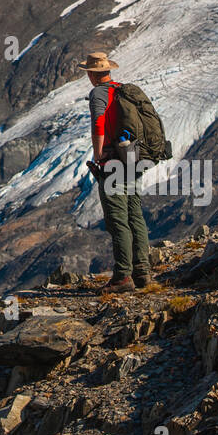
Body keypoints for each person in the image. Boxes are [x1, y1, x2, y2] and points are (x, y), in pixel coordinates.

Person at [79, 49, 151, 292]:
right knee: (134, 214)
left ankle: (122, 277)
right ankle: (142, 272)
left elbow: (98, 122)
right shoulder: (122, 90)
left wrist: (99, 154)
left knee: (118, 220)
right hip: (132, 159)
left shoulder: (99, 93)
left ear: (92, 73)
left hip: (113, 163)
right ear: (108, 70)